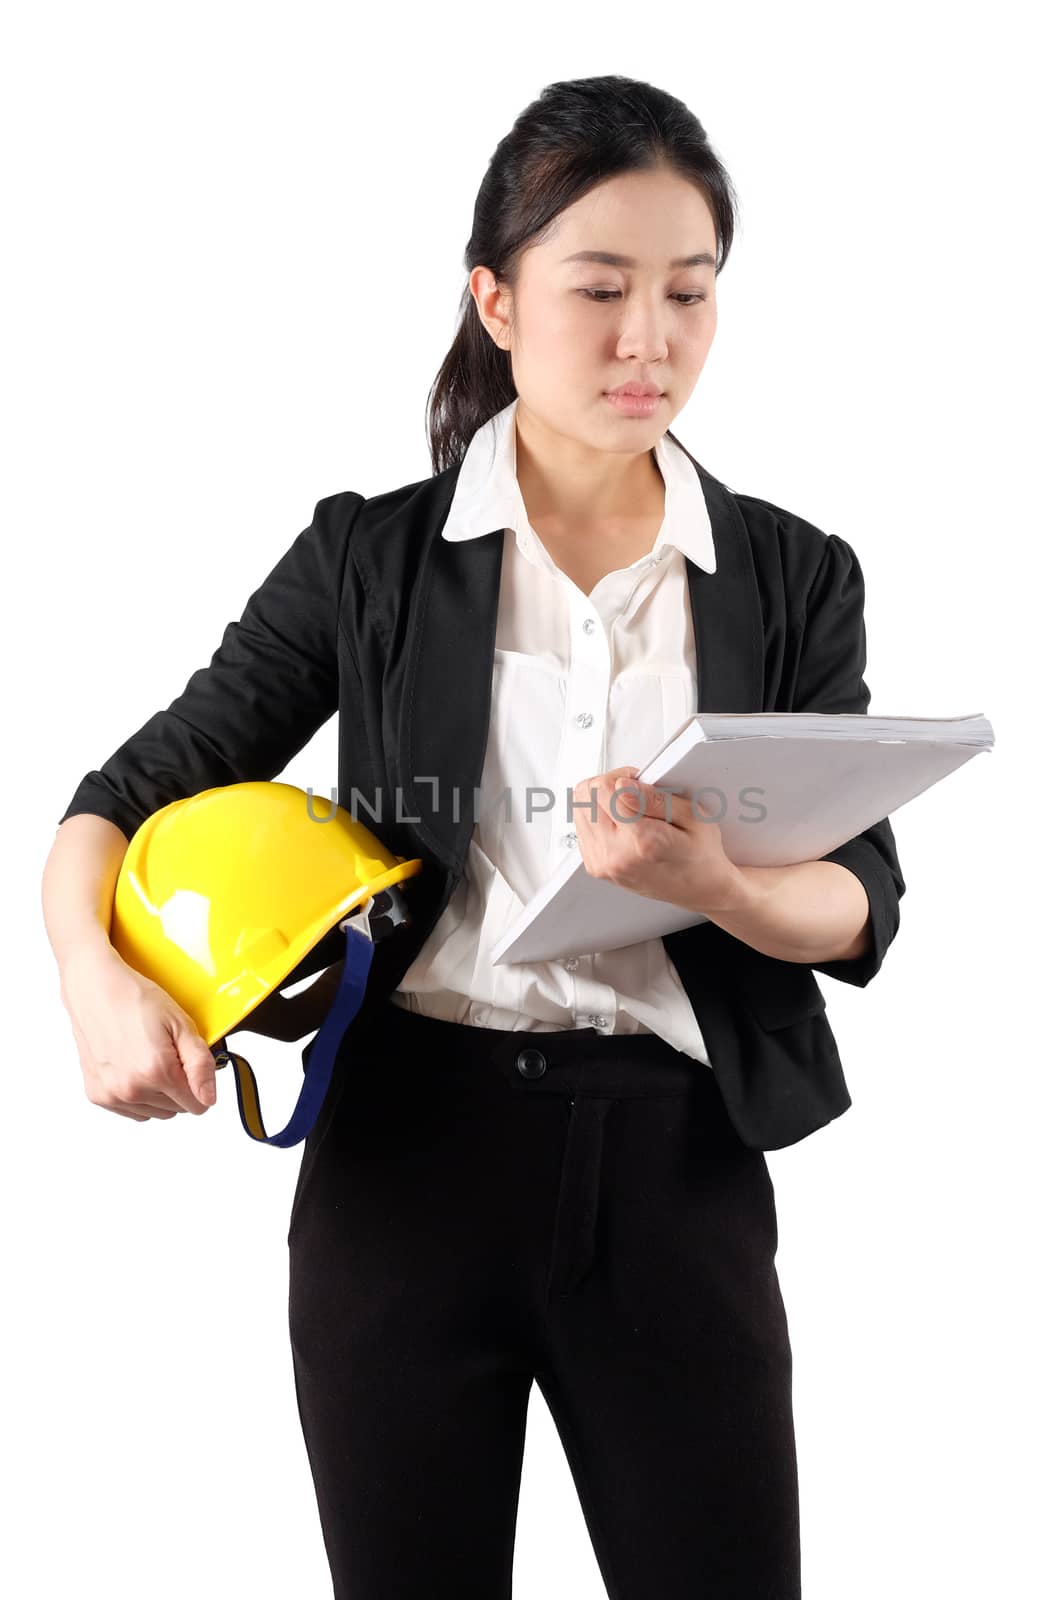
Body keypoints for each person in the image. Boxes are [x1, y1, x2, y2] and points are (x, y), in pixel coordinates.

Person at [42, 73, 904, 1600]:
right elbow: (124, 795)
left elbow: (858, 905)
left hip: (676, 1170)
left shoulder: (790, 575)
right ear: (496, 300)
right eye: (600, 288)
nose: (649, 339)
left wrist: (715, 885)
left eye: (688, 294)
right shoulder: (368, 558)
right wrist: (95, 984)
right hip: (404, 1167)